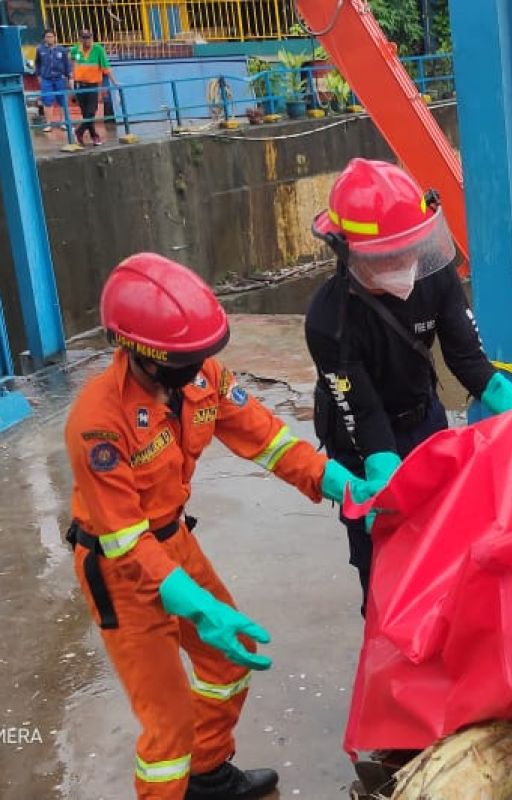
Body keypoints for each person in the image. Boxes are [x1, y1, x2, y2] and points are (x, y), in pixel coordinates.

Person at [65, 253, 374, 799]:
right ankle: (177, 779)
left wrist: (336, 481)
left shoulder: (201, 378)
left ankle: (207, 776)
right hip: (120, 569)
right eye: (189, 357)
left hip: (174, 540)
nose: (202, 366)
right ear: (146, 357)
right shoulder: (98, 424)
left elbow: (267, 439)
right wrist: (190, 599)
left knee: (228, 660)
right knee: (168, 731)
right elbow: (123, 536)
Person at [305, 158, 512, 613]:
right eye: (387, 256)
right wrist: (384, 479)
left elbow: (467, 358)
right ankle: (385, 635)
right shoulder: (328, 321)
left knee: (444, 539)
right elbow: (362, 414)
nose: (404, 264)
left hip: (422, 417)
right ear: (347, 253)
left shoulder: (435, 276)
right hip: (359, 439)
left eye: (410, 250)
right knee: (384, 553)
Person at [68, 29, 116, 146]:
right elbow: (69, 57)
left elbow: (106, 67)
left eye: (89, 37)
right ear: (80, 39)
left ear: (92, 38)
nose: (87, 40)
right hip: (79, 85)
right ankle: (94, 136)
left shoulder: (98, 49)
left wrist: (114, 82)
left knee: (91, 112)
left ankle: (79, 131)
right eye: (84, 38)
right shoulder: (76, 49)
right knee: (86, 114)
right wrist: (70, 76)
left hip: (93, 86)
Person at [33, 29, 72, 133]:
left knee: (63, 101)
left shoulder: (62, 50)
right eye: (47, 36)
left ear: (55, 38)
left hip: (60, 78)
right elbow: (37, 63)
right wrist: (38, 76)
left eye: (51, 36)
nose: (49, 38)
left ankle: (64, 122)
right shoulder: (40, 49)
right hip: (46, 80)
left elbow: (67, 65)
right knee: (47, 101)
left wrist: (70, 77)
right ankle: (48, 124)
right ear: (44, 38)